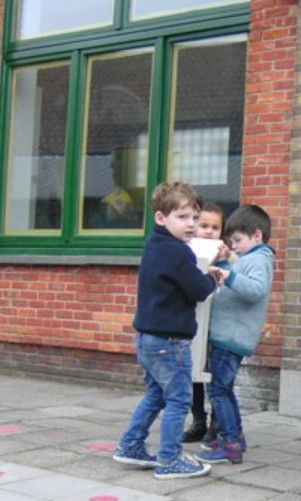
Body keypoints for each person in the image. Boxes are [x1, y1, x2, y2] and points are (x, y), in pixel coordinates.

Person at [113, 181, 219, 479]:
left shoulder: (155, 245)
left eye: (195, 217)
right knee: (178, 399)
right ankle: (170, 458)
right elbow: (197, 290)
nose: (191, 224)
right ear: (161, 218)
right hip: (170, 341)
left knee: (157, 394)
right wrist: (213, 278)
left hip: (147, 338)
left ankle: (131, 445)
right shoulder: (177, 252)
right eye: (182, 217)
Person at [195, 205, 275, 464]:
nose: (235, 246)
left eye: (238, 240)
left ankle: (230, 444)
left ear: (257, 236)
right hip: (227, 337)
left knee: (218, 389)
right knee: (224, 389)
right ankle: (235, 437)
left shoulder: (261, 259)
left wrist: (228, 276)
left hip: (231, 339)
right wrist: (225, 262)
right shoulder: (250, 258)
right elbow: (239, 272)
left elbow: (256, 289)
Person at [182, 204, 228, 444]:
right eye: (204, 226)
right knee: (193, 374)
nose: (209, 231)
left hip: (216, 326)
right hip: (193, 323)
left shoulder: (227, 257)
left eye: (215, 227)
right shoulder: (187, 252)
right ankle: (198, 419)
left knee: (213, 373)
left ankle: (216, 423)